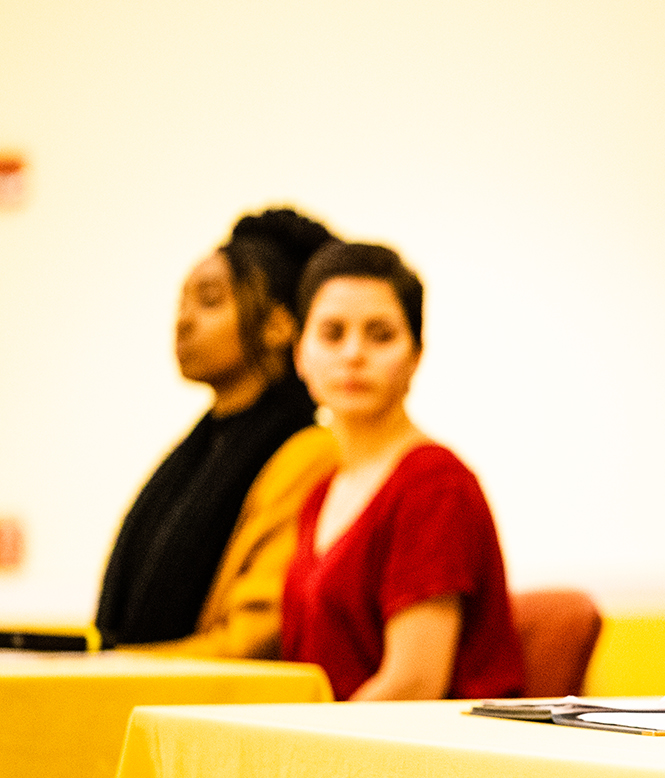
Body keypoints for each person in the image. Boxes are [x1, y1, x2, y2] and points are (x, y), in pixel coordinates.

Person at [280, 242, 523, 700]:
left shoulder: (435, 485)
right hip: (335, 746)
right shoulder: (319, 494)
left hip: (426, 760)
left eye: (380, 334)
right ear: (299, 355)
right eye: (332, 333)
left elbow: (414, 684)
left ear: (415, 357)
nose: (354, 353)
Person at [96, 208, 339, 656]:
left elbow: (258, 637)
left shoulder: (310, 453)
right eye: (182, 303)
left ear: (278, 325)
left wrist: (115, 668)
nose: (183, 321)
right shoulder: (202, 450)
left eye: (209, 301)